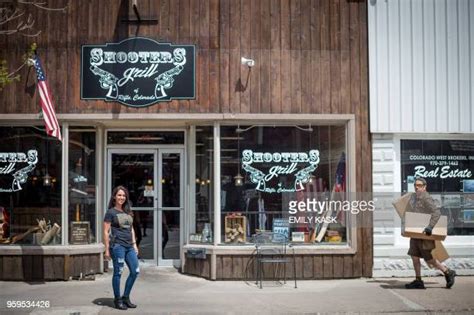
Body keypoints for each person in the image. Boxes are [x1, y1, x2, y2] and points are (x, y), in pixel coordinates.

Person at [405, 177, 456, 289]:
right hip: (416, 233)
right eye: (415, 186)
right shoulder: (414, 198)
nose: (417, 187)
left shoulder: (426, 198)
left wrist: (430, 227)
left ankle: (447, 271)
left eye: (419, 185)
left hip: (425, 234)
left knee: (429, 259)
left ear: (424, 187)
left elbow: (436, 213)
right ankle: (418, 280)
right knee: (414, 256)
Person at [103, 186, 139, 310]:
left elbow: (131, 229)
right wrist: (107, 249)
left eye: (123, 195)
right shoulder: (111, 212)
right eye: (119, 195)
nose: (121, 197)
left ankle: (126, 297)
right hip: (117, 246)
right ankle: (117, 299)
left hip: (129, 246)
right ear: (114, 197)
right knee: (118, 272)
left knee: (135, 271)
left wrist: (134, 244)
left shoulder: (128, 212)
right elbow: (106, 231)